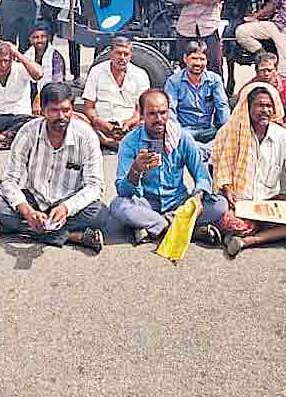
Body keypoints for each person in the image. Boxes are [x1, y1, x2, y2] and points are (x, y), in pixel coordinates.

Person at [0, 83, 107, 252]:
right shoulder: (28, 132)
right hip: (34, 200)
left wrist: (67, 208)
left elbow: (94, 186)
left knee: (99, 213)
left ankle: (17, 229)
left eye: (66, 110)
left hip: (68, 203)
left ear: (72, 109)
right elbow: (9, 180)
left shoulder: (86, 136)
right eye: (54, 110)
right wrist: (27, 211)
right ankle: (74, 237)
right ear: (42, 111)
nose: (61, 116)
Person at [210, 82, 286, 257]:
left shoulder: (282, 135)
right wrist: (226, 189)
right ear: (248, 107)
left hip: (269, 204)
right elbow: (216, 168)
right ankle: (248, 233)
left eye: (269, 106)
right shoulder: (229, 132)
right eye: (259, 105)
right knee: (229, 221)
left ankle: (246, 241)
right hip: (240, 203)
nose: (265, 110)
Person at [112, 88, 228, 245]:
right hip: (146, 203)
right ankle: (186, 230)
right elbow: (123, 190)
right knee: (118, 205)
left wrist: (198, 197)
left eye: (163, 113)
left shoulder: (181, 138)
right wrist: (135, 169)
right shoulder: (130, 142)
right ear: (141, 114)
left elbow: (201, 175)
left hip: (177, 202)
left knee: (219, 204)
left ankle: (155, 226)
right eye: (152, 114)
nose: (159, 119)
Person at [82, 36, 150, 149]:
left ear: (130, 55)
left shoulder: (140, 74)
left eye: (126, 54)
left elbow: (141, 111)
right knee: (77, 120)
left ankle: (114, 142)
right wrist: (99, 121)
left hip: (129, 127)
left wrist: (130, 122)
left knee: (155, 126)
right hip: (101, 125)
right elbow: (88, 107)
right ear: (111, 53)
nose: (122, 58)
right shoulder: (96, 71)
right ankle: (106, 140)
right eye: (118, 53)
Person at [164, 40, 229, 143]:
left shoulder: (215, 80)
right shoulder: (173, 81)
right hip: (184, 132)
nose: (198, 63)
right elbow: (170, 110)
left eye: (202, 59)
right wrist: (176, 132)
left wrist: (225, 130)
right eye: (194, 58)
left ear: (207, 61)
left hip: (208, 131)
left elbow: (222, 106)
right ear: (185, 58)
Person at [0, 40, 43, 148]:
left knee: (37, 122)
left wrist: (17, 54)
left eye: (6, 61)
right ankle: (3, 138)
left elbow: (38, 74)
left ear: (12, 60)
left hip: (19, 117)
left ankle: (3, 137)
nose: (3, 65)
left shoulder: (20, 69)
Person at [248, 52, 286, 144]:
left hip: (281, 128)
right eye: (262, 70)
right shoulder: (250, 88)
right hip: (255, 130)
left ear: (276, 70)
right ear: (256, 71)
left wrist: (280, 129)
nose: (266, 74)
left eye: (269, 70)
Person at [27, 22, 65, 108]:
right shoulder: (26, 56)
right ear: (30, 39)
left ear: (48, 38)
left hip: (51, 96)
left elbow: (57, 83)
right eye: (36, 37)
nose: (39, 40)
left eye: (43, 37)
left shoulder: (55, 56)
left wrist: (39, 98)